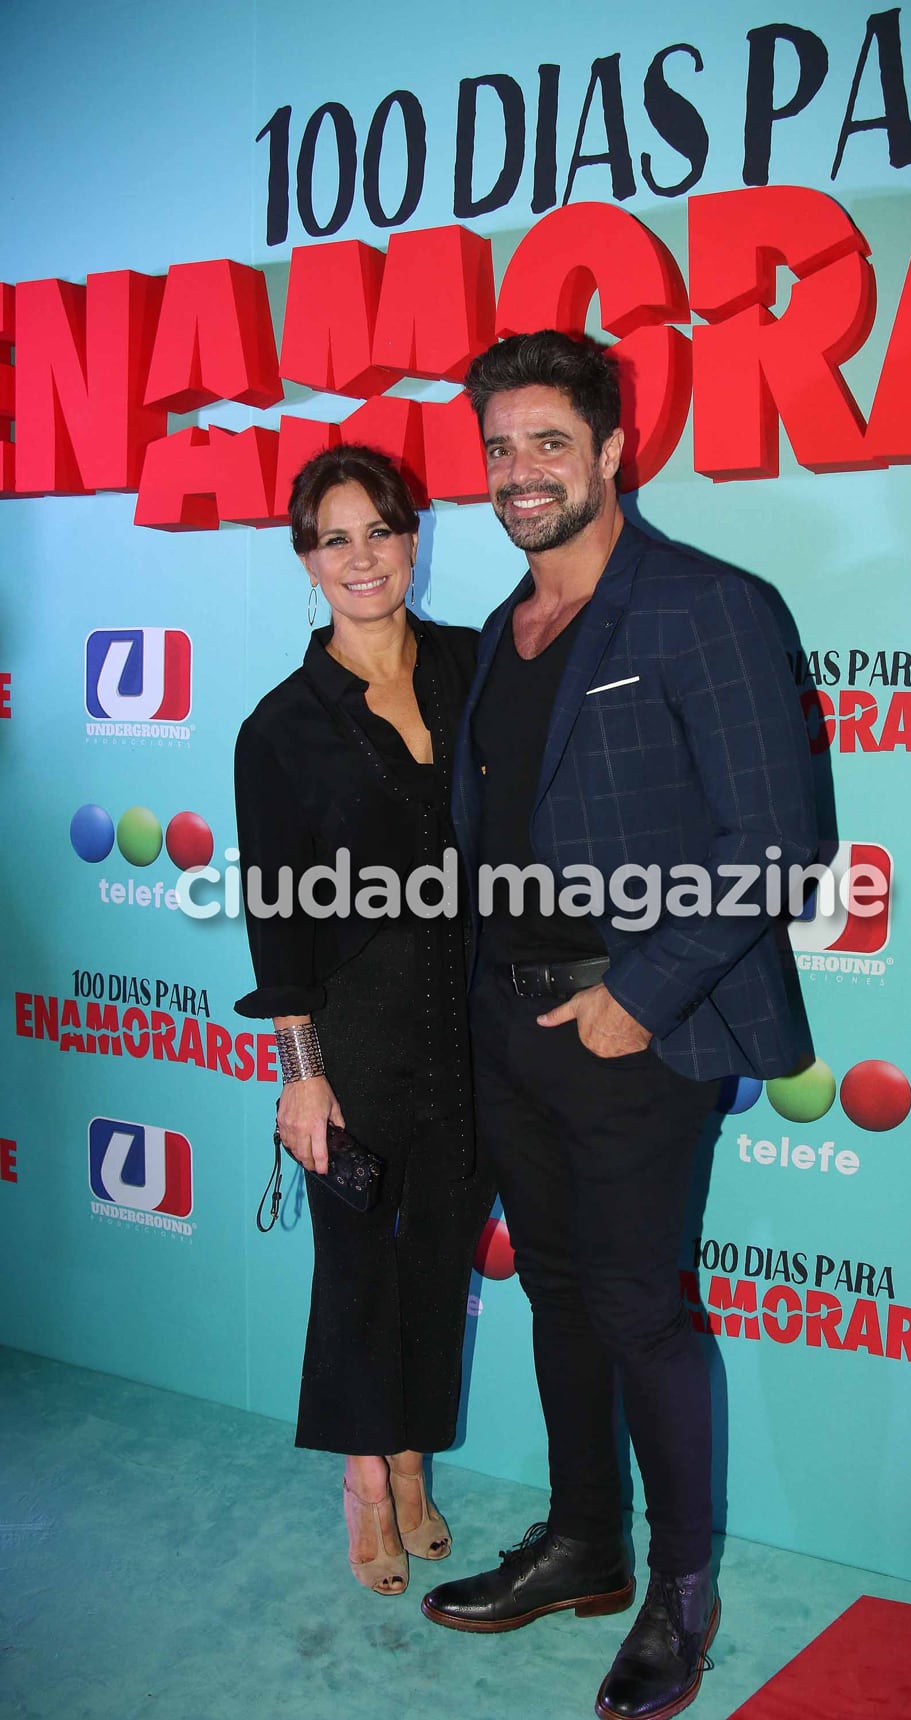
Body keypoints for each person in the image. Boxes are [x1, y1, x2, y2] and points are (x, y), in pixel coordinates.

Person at [421, 332, 817, 1720]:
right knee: (555, 1293)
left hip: (642, 1029)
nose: (517, 474)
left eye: (545, 443)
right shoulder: (501, 628)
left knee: (642, 1312)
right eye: (498, 448)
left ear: (610, 453)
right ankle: (583, 1539)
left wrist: (634, 1000)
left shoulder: (705, 605)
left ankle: (679, 1592)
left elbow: (776, 840)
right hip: (508, 1023)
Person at [233, 444, 494, 1598]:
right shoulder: (280, 727)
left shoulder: (479, 667)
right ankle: (363, 1484)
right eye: (334, 537)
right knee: (356, 1263)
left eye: (379, 530)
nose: (361, 557)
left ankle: (412, 1455)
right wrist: (302, 1072)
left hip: (477, 1020)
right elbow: (275, 920)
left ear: (413, 538)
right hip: (357, 1026)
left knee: (439, 1262)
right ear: (306, 559)